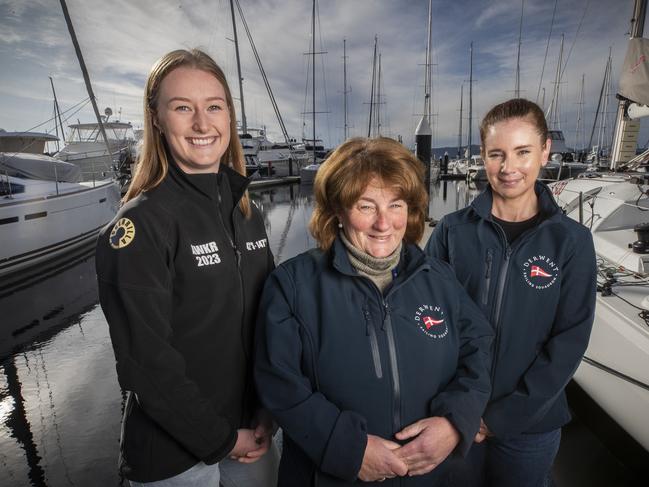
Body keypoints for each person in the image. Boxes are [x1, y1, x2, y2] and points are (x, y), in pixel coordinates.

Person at [254, 137, 493, 486]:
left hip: (432, 476)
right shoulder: (292, 286)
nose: (384, 223)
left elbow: (478, 349)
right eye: (366, 206)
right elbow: (278, 384)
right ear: (337, 209)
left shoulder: (439, 278)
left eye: (395, 205)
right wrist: (348, 449)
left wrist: (456, 422)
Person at [96, 49, 278, 486]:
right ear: (156, 118)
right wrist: (219, 439)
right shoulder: (139, 226)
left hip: (253, 435)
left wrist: (270, 405)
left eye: (214, 106)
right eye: (183, 108)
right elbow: (145, 363)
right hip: (175, 459)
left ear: (229, 116)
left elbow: (273, 316)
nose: (202, 123)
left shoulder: (247, 212)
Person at [425, 98, 597, 487]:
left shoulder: (571, 241)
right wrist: (457, 411)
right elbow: (428, 323)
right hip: (453, 419)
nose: (508, 168)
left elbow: (569, 341)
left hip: (530, 427)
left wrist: (500, 418)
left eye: (522, 152)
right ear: (482, 156)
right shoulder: (452, 231)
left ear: (545, 151)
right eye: (496, 154)